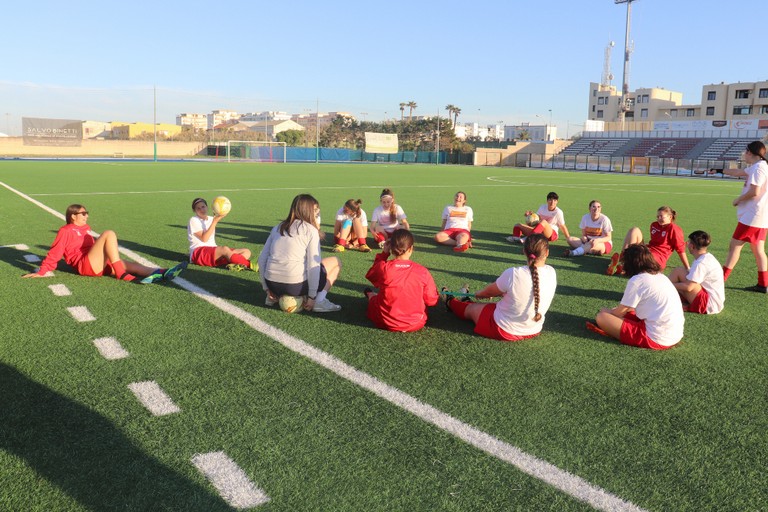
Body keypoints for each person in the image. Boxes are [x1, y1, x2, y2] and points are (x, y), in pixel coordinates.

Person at [22, 204, 186, 283]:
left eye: (87, 213)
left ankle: (162, 272)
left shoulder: (85, 230)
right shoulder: (66, 230)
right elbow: (55, 253)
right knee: (109, 233)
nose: (86, 216)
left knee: (130, 264)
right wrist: (42, 271)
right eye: (83, 213)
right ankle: (120, 273)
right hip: (85, 266)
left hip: (95, 262)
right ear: (73, 216)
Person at [445, 234, 556, 341]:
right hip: (533, 329)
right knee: (489, 307)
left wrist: (479, 293)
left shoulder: (513, 273)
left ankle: (450, 302)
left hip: (503, 329)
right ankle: (465, 301)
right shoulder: (552, 272)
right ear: (547, 253)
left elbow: (487, 293)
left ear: (524, 251)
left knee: (471, 309)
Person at [258, 194, 342, 312]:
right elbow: (314, 266)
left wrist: (266, 288)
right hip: (295, 286)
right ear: (308, 211)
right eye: (316, 211)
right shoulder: (310, 230)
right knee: (336, 261)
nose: (317, 214)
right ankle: (319, 301)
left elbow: (262, 259)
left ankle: (272, 298)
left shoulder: (277, 227)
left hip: (272, 285)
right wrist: (312, 296)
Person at [593, 244, 684, 350]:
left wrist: (607, 312)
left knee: (602, 317)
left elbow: (620, 312)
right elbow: (629, 308)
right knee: (625, 310)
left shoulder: (637, 280)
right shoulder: (661, 276)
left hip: (656, 338)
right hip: (674, 334)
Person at [364, 229, 439, 331]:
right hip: (415, 323)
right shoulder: (422, 271)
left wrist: (384, 254)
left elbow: (371, 275)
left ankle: (370, 294)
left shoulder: (384, 268)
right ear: (411, 248)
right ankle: (371, 295)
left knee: (374, 299)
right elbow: (431, 301)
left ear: (391, 247)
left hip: (384, 321)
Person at [722, 141, 768, 293]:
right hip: (759, 217)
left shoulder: (759, 168)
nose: (744, 154)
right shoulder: (759, 167)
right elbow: (738, 173)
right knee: (758, 250)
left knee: (734, 246)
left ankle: (721, 279)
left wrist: (738, 200)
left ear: (750, 152)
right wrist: (718, 170)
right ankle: (763, 284)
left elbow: (755, 191)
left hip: (752, 216)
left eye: (745, 151)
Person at [606, 206, 689, 276]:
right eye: (657, 217)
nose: (659, 219)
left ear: (670, 217)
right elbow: (653, 243)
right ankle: (623, 259)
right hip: (648, 251)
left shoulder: (674, 229)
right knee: (634, 230)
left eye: (661, 216)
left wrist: (687, 268)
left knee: (639, 255)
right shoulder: (654, 225)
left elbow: (681, 250)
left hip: (658, 258)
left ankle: (625, 265)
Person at [188, 197, 256, 271]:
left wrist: (219, 216)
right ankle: (251, 265)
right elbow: (204, 239)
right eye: (198, 208)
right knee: (224, 249)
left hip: (213, 250)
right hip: (199, 252)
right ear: (194, 210)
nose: (202, 210)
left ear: (207, 207)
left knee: (246, 251)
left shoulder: (211, 218)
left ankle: (234, 264)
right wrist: (215, 221)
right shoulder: (193, 220)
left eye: (203, 207)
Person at [668, 230, 725, 314]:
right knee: (679, 271)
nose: (686, 244)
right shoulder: (706, 257)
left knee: (679, 276)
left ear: (692, 246)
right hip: (713, 301)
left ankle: (659, 293)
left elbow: (689, 287)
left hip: (708, 304)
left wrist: (666, 284)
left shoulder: (701, 263)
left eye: (688, 242)